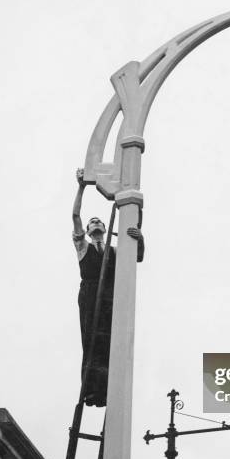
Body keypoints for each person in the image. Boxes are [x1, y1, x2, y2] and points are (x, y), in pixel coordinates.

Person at [72, 168, 144, 406]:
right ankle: (90, 390)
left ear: (103, 227)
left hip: (110, 297)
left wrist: (139, 237)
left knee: (109, 340)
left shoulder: (114, 250)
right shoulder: (84, 247)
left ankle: (106, 390)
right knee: (91, 338)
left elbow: (136, 258)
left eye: (97, 221)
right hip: (91, 293)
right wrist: (81, 187)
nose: (93, 223)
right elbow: (75, 216)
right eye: (91, 222)